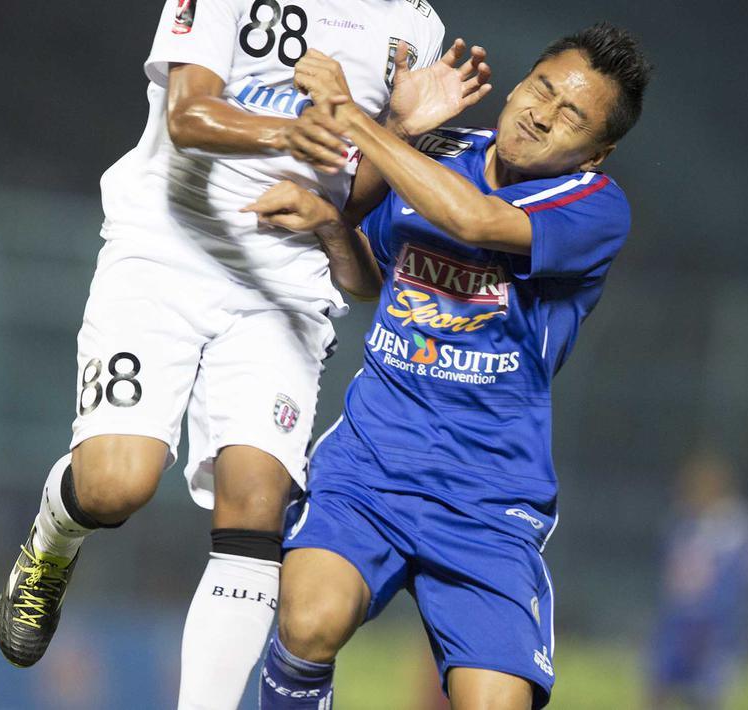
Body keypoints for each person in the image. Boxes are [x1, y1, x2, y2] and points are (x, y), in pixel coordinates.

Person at [0, 1, 492, 708]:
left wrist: (399, 131)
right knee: (114, 486)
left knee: (258, 504)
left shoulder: (416, 25)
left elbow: (351, 199)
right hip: (166, 247)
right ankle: (54, 537)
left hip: (285, 277)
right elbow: (187, 114)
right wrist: (295, 129)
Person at [241, 22, 652, 709]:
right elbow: (372, 280)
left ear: (596, 152)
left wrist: (359, 120)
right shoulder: (439, 154)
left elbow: (475, 222)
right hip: (370, 469)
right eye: (542, 88)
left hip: (487, 500)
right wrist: (333, 222)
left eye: (571, 115)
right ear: (518, 84)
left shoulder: (594, 206)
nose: (541, 113)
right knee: (308, 621)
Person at [647, 450, 748, 710]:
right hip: (678, 623)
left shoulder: (735, 527)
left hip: (713, 628)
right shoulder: (682, 523)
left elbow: (737, 583)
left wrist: (720, 622)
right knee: (658, 686)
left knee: (706, 695)